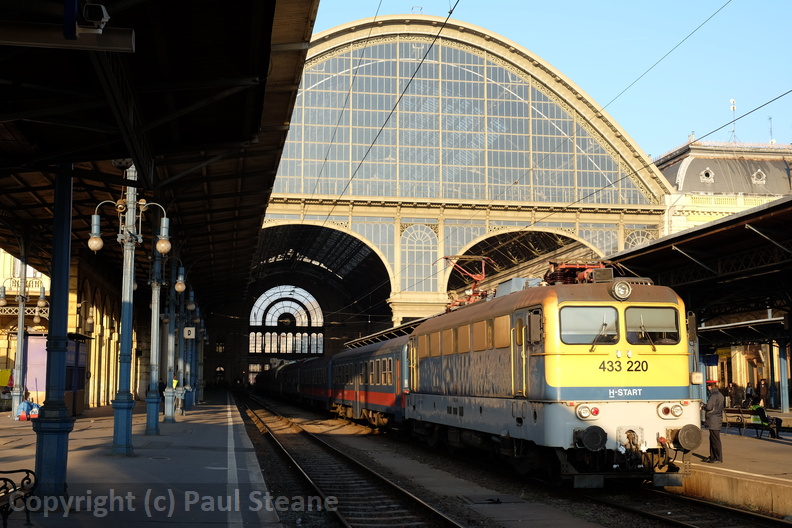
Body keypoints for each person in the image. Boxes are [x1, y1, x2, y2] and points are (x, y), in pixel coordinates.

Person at [701, 380, 724, 464]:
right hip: (717, 418)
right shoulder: (720, 395)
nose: (707, 388)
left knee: (715, 440)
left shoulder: (713, 395)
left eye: (708, 386)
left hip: (713, 419)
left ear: (710, 386)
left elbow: (709, 407)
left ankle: (717, 458)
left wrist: (704, 406)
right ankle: (713, 456)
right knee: (713, 438)